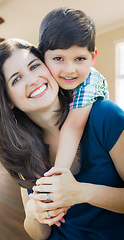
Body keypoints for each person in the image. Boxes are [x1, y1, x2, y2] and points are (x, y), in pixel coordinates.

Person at [0, 38, 124, 240]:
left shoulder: (105, 115)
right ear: (7, 100)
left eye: (35, 66)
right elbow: (39, 234)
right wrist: (34, 214)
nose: (33, 80)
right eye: (16, 79)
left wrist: (82, 192)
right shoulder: (21, 148)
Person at [39, 7, 109, 171]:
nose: (69, 69)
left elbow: (73, 127)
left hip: (97, 149)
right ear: (42, 56)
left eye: (79, 58)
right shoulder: (46, 80)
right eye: (58, 58)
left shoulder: (90, 81)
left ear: (93, 57)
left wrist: (59, 173)